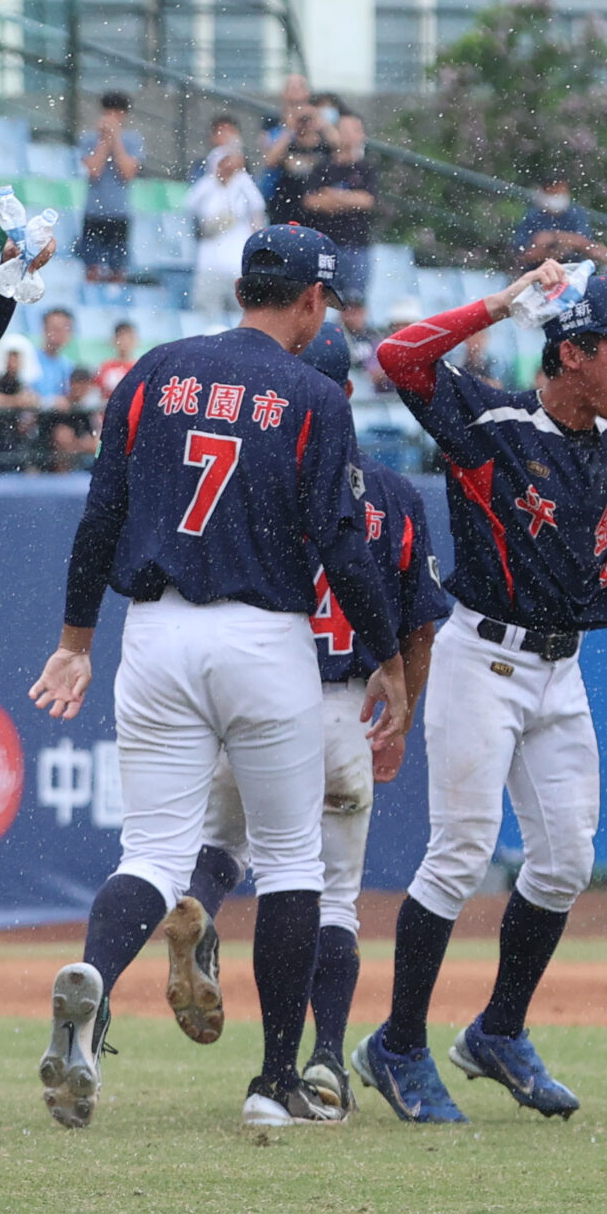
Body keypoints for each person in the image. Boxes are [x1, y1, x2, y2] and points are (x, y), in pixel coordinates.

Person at [29, 225, 412, 1129]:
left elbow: (101, 516)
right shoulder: (315, 393)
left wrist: (75, 638)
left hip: (154, 633)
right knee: (290, 864)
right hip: (264, 638)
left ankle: (96, 987)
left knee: (153, 855)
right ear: (313, 302)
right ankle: (276, 1081)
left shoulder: (156, 368)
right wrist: (388, 656)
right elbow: (345, 546)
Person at [350, 267, 607, 1123]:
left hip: (559, 669)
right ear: (572, 351)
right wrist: (499, 304)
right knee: (461, 852)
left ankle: (497, 1032)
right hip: (482, 657)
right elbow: (398, 358)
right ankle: (398, 1044)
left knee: (565, 863)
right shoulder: (493, 422)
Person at [164, 322, 449, 1116]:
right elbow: (421, 624)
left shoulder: (252, 475)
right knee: (331, 899)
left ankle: (203, 910)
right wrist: (402, 713)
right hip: (344, 705)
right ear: (344, 393)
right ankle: (323, 1061)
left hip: (254, 692)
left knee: (222, 845)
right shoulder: (389, 494)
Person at [302, 113, 379, 317]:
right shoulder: (323, 167)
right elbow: (311, 201)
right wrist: (349, 200)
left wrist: (334, 196)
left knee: (354, 305)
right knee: (321, 305)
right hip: (327, 246)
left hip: (356, 245)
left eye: (352, 131)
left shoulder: (366, 168)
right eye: (342, 130)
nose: (347, 136)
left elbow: (367, 201)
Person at [187, 141, 265, 314]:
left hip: (236, 268)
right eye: (225, 163)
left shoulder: (244, 186)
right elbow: (192, 207)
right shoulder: (206, 186)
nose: (229, 168)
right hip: (209, 266)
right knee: (205, 319)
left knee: (240, 319)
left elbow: (257, 208)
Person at [77, 93, 142, 281]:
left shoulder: (133, 140)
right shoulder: (89, 139)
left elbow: (127, 173)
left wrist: (116, 140)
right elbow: (94, 171)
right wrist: (104, 141)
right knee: (91, 268)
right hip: (93, 212)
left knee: (118, 269)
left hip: (119, 213)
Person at [513, 178, 607, 268]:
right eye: (554, 192)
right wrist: (557, 251)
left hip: (572, 269)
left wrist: (553, 237)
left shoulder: (576, 213)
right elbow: (524, 255)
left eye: (561, 192)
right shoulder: (532, 215)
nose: (558, 197)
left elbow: (586, 244)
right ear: (545, 192)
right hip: (537, 271)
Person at [92, 319, 140, 399]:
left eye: (129, 337)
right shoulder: (104, 367)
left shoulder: (141, 368)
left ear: (136, 341)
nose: (125, 341)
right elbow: (95, 394)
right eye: (121, 337)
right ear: (114, 340)